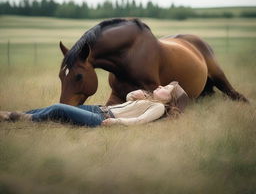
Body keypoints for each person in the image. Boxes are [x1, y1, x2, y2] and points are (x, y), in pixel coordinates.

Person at [0, 81, 189, 127]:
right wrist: (134, 95)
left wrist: (116, 123)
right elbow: (128, 102)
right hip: (98, 109)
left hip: (101, 118)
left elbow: (139, 121)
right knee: (57, 108)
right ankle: (12, 114)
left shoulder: (157, 107)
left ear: (168, 99)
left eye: (166, 87)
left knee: (59, 109)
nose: (160, 85)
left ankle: (22, 118)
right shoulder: (149, 99)